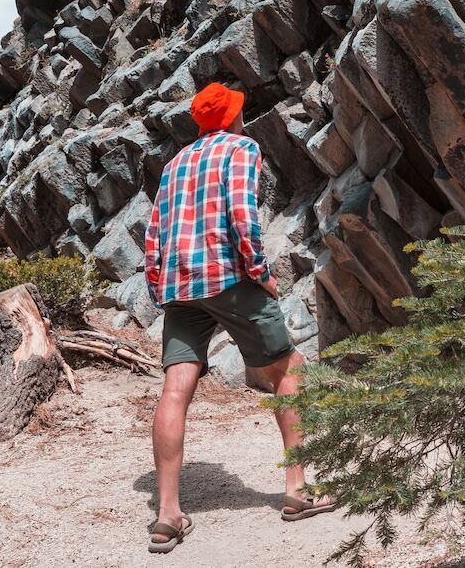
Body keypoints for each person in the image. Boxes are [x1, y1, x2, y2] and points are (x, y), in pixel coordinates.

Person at [144, 82, 335, 554]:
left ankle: (167, 513)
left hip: (178, 286)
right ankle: (297, 489)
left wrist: (160, 288)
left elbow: (155, 232)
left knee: (174, 389)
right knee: (291, 371)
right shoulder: (241, 148)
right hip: (228, 278)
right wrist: (261, 274)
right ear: (232, 116)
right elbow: (241, 214)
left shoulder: (173, 164)